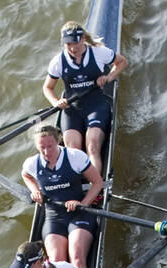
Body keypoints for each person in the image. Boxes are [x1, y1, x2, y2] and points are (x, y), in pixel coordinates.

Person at [42, 21, 127, 174]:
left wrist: (108, 77)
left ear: (83, 39)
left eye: (75, 43)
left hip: (97, 106)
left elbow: (122, 62)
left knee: (92, 145)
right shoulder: (58, 62)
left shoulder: (98, 52)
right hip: (71, 109)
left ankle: (95, 188)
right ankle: (76, 190)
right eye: (68, 44)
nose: (73, 48)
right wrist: (56, 102)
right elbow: (47, 87)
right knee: (73, 150)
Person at [21, 125, 102, 268]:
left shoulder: (74, 156)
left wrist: (84, 203)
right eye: (41, 148)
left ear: (58, 141)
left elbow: (97, 183)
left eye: (50, 146)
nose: (46, 152)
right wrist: (34, 190)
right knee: (57, 261)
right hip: (53, 216)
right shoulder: (31, 163)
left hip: (79, 213)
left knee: (76, 257)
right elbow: (26, 176)